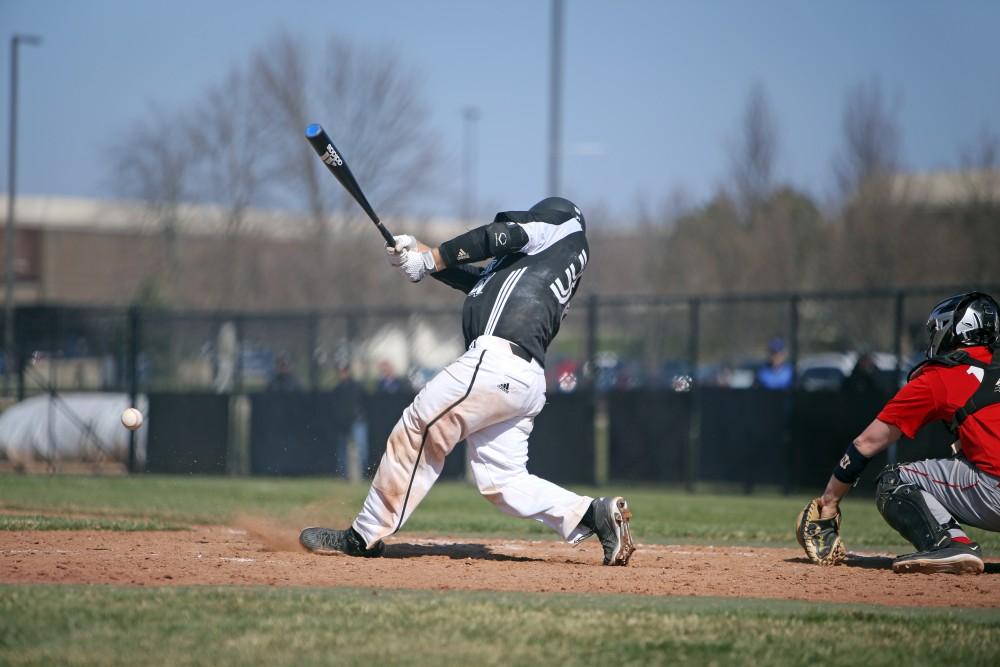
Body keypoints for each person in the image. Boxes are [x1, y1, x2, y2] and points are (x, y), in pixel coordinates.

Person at [299, 197, 635, 566]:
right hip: (524, 380)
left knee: (419, 426)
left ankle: (364, 535)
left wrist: (433, 258)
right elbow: (480, 283)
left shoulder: (559, 228)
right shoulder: (541, 266)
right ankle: (595, 514)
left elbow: (497, 236)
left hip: (495, 362)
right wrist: (424, 258)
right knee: (502, 481)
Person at [803, 292, 1000, 574]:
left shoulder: (943, 375)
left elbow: (867, 442)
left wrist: (830, 501)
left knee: (893, 481)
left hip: (995, 493)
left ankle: (950, 544)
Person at [330, 363, 368, 480]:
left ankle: (365, 474)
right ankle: (343, 475)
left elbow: (365, 403)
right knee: (342, 450)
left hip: (357, 421)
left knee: (362, 448)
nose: (342, 373)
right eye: (340, 371)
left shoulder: (356, 387)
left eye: (344, 371)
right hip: (343, 423)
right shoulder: (337, 389)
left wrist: (359, 415)